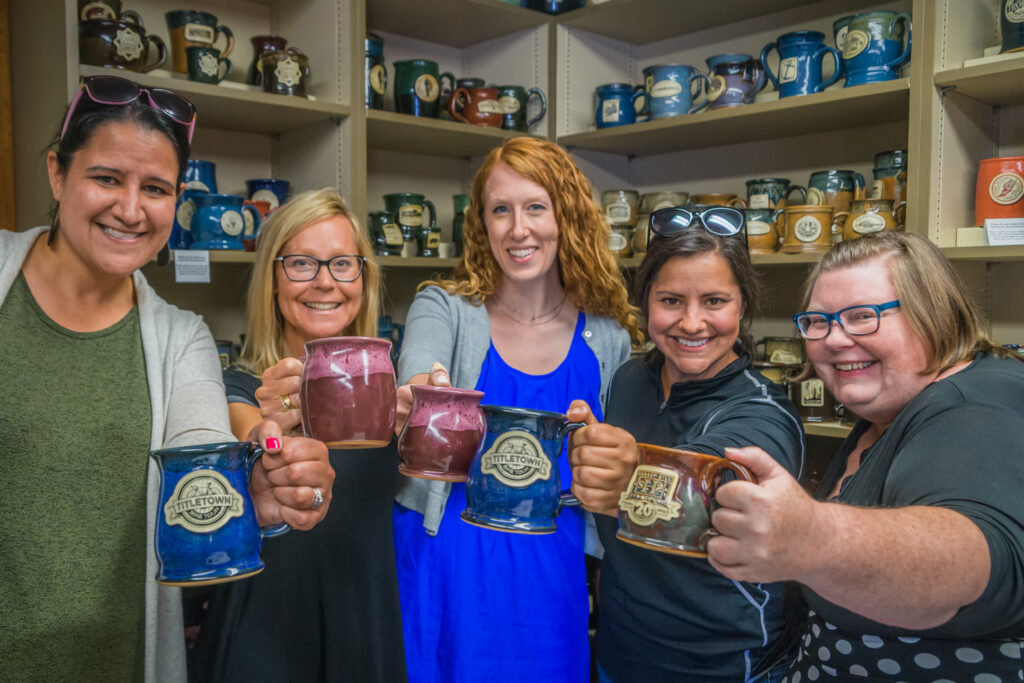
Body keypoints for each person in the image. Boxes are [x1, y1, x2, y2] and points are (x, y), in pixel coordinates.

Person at [0, 75, 333, 683]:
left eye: (155, 188)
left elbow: (201, 465)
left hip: (123, 663)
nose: (130, 209)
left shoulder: (182, 338)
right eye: (106, 178)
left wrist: (255, 492)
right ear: (57, 173)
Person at [705, 231, 1024, 681]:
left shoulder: (972, 403)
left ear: (934, 314)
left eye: (862, 316)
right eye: (818, 321)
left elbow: (974, 555)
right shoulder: (888, 409)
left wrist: (814, 538)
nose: (834, 339)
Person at [392, 136, 643, 682]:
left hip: (548, 573)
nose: (517, 228)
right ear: (482, 224)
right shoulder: (445, 307)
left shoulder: (607, 337)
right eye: (499, 210)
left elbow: (612, 469)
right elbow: (420, 368)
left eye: (535, 207)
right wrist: (419, 394)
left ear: (567, 216)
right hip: (444, 560)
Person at [566, 206, 805, 682]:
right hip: (619, 652)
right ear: (646, 302)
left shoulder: (764, 413)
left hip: (723, 666)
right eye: (671, 301)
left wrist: (626, 478)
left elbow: (703, 493)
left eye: (715, 301)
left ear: (743, 306)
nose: (692, 323)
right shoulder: (629, 379)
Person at [192, 188, 406, 682]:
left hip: (364, 626)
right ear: (272, 278)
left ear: (363, 278)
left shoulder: (390, 389)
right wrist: (275, 429)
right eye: (302, 264)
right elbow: (251, 435)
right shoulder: (241, 387)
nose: (325, 283)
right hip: (266, 632)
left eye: (342, 264)